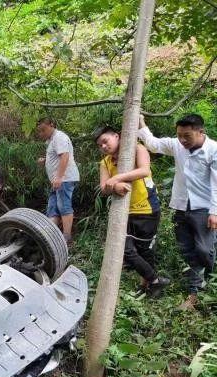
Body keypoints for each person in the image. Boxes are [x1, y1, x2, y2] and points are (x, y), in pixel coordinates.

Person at [138, 114, 217, 311]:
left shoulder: (213, 150)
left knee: (204, 250)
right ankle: (196, 290)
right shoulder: (177, 145)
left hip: (204, 209)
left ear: (201, 132)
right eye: (179, 135)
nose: (182, 140)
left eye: (187, 136)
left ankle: (207, 278)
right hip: (181, 207)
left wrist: (214, 211)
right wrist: (141, 124)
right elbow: (154, 144)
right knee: (186, 249)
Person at [95, 126, 170, 297]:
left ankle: (147, 285)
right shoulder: (105, 162)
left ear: (116, 136)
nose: (104, 147)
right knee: (125, 250)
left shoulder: (138, 148)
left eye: (105, 141)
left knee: (145, 250)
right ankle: (155, 280)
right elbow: (104, 188)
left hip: (147, 208)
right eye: (100, 145)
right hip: (123, 212)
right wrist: (115, 186)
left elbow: (145, 170)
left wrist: (116, 178)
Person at [36, 118, 80, 244]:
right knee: (52, 207)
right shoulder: (51, 140)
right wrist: (45, 160)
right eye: (40, 131)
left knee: (63, 205)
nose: (42, 134)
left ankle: (67, 237)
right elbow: (57, 155)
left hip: (64, 179)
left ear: (52, 125)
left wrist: (59, 177)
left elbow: (65, 156)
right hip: (58, 180)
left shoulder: (59, 137)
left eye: (43, 130)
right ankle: (50, 237)